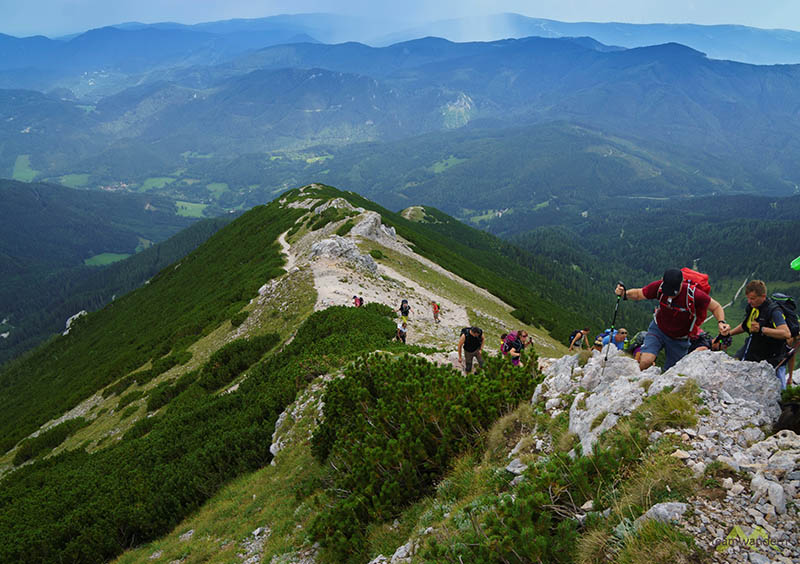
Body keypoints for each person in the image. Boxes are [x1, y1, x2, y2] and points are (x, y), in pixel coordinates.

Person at [616, 268, 729, 371]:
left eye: (673, 293)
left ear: (682, 283)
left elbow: (716, 307)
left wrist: (721, 322)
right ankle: (636, 382)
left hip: (679, 339)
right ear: (663, 281)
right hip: (658, 329)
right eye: (668, 292)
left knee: (672, 371)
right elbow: (639, 294)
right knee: (646, 360)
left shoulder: (694, 294)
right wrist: (624, 294)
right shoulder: (659, 287)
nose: (670, 296)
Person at [728, 280, 792, 388]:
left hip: (769, 358)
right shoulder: (753, 308)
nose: (749, 301)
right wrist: (728, 334)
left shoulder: (774, 311)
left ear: (763, 296)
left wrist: (762, 329)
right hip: (751, 353)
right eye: (748, 298)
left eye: (752, 298)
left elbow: (786, 333)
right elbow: (745, 326)